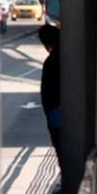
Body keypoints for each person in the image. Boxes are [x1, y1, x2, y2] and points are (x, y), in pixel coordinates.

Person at [38, 25, 61, 156]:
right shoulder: (69, 55)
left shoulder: (51, 61)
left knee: (62, 153)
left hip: (57, 115)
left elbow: (48, 93)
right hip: (61, 113)